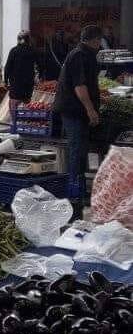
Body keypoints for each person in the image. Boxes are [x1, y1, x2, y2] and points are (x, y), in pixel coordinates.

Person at [53, 24, 102, 209]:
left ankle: (79, 188)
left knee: (80, 150)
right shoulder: (79, 56)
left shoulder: (83, 54)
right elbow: (79, 87)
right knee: (76, 150)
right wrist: (91, 110)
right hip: (73, 111)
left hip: (77, 111)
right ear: (94, 40)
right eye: (99, 40)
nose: (99, 44)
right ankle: (74, 192)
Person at [4, 31, 40, 125]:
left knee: (14, 103)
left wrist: (5, 80)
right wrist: (38, 78)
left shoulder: (14, 50)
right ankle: (24, 124)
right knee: (26, 103)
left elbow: (7, 67)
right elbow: (40, 66)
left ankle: (15, 123)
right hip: (28, 83)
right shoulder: (33, 51)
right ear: (28, 40)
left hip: (15, 83)